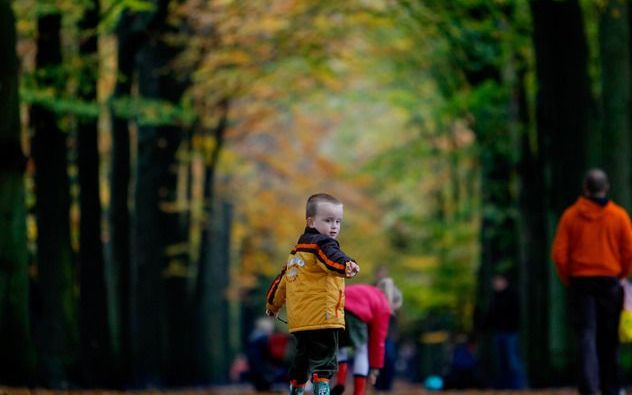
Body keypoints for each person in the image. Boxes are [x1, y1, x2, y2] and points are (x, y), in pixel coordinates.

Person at [266, 193, 361, 395]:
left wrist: (272, 305)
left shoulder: (295, 254)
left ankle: (297, 389)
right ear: (311, 221)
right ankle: (322, 390)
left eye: (338, 221)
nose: (334, 226)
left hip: (300, 323)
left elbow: (281, 282)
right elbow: (332, 259)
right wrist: (347, 265)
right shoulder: (323, 244)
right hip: (324, 318)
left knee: (301, 359)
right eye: (328, 220)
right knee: (325, 360)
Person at [552, 168, 632, 395]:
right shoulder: (619, 217)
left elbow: (559, 254)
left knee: (586, 335)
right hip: (610, 282)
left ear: (585, 189)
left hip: (581, 282)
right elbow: (629, 251)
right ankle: (611, 387)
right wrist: (621, 274)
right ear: (606, 188)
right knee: (609, 337)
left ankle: (588, 387)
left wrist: (569, 278)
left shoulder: (570, 216)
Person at [331, 278, 402, 395]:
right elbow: (378, 341)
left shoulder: (368, 289)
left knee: (339, 345)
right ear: (392, 302)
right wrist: (375, 368)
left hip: (335, 307)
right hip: (356, 314)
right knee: (362, 350)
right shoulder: (384, 304)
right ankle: (359, 392)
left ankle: (340, 380)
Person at [482, 274, 526, 389]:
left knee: (513, 360)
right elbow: (490, 316)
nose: (496, 284)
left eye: (499, 281)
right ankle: (506, 386)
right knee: (502, 362)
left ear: (505, 282)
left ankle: (520, 386)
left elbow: (516, 314)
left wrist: (513, 326)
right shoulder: (495, 298)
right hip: (499, 333)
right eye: (495, 282)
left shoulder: (512, 295)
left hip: (511, 332)